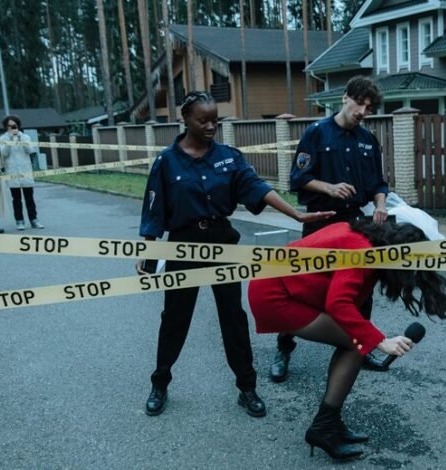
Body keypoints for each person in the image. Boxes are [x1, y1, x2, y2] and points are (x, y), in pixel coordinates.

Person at [136, 91, 333, 418]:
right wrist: (148, 248)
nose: (212, 126)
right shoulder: (166, 162)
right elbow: (154, 209)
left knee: (233, 318)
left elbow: (258, 188)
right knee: (175, 318)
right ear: (185, 119)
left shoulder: (229, 157)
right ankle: (160, 383)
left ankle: (247, 387)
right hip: (182, 246)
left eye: (215, 119)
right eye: (204, 120)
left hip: (222, 244)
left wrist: (295, 216)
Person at [248, 219, 446, 460]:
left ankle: (330, 423)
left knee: (352, 342)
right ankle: (324, 427)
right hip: (275, 295)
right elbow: (338, 303)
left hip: (282, 285)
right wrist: (379, 340)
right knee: (356, 345)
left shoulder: (364, 234)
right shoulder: (362, 251)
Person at [272, 75, 389, 381]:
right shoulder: (316, 134)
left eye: (369, 107)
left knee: (362, 286)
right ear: (345, 98)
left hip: (355, 223)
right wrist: (329, 187)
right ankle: (284, 345)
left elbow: (379, 183)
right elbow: (297, 179)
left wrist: (380, 204)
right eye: (359, 103)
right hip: (320, 221)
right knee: (302, 286)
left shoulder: (368, 139)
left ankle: (363, 345)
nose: (362, 111)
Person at [0, 114, 44, 230]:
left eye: (14, 125)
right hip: (12, 171)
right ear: (6, 127)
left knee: (30, 198)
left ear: (18, 125)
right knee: (16, 199)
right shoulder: (3, 138)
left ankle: (34, 220)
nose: (12, 127)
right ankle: (19, 221)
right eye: (9, 126)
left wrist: (19, 138)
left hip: (25, 171)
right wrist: (10, 139)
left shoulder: (25, 137)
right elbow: (4, 153)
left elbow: (30, 150)